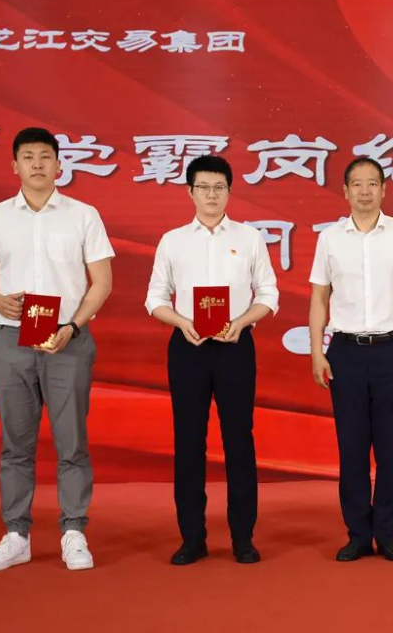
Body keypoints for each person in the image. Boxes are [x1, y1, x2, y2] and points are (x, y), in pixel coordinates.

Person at [0, 127, 115, 571]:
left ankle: (74, 531)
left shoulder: (83, 215)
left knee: (72, 441)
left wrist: (72, 325)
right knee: (16, 444)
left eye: (45, 156)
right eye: (28, 156)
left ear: (58, 164)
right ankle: (16, 534)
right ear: (14, 165)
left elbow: (101, 282)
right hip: (11, 340)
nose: (37, 164)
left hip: (67, 340)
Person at [145, 155, 278, 565]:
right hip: (188, 346)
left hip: (235, 345)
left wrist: (241, 322)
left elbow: (268, 294)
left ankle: (243, 537)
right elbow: (154, 298)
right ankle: (192, 537)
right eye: (203, 187)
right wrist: (181, 321)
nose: (211, 195)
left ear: (229, 191)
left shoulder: (249, 237)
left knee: (239, 441)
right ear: (190, 192)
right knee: (188, 442)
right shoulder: (172, 241)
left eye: (219, 187)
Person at [308, 156, 393, 562]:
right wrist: (317, 351)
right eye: (357, 184)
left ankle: (389, 535)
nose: (365, 191)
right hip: (345, 351)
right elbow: (319, 298)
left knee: (391, 448)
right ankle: (358, 535)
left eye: (372, 183)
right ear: (345, 191)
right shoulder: (330, 238)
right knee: (352, 449)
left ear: (384, 189)